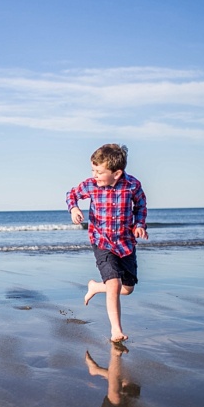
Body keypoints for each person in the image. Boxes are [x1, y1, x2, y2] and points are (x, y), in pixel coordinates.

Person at [67, 143, 148, 343]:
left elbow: (141, 205)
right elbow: (72, 194)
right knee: (113, 284)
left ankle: (95, 287)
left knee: (127, 288)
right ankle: (116, 331)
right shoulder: (91, 185)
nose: (94, 175)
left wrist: (140, 224)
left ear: (117, 173)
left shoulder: (132, 185)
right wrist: (74, 209)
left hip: (125, 243)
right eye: (93, 170)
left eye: (99, 172)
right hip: (101, 241)